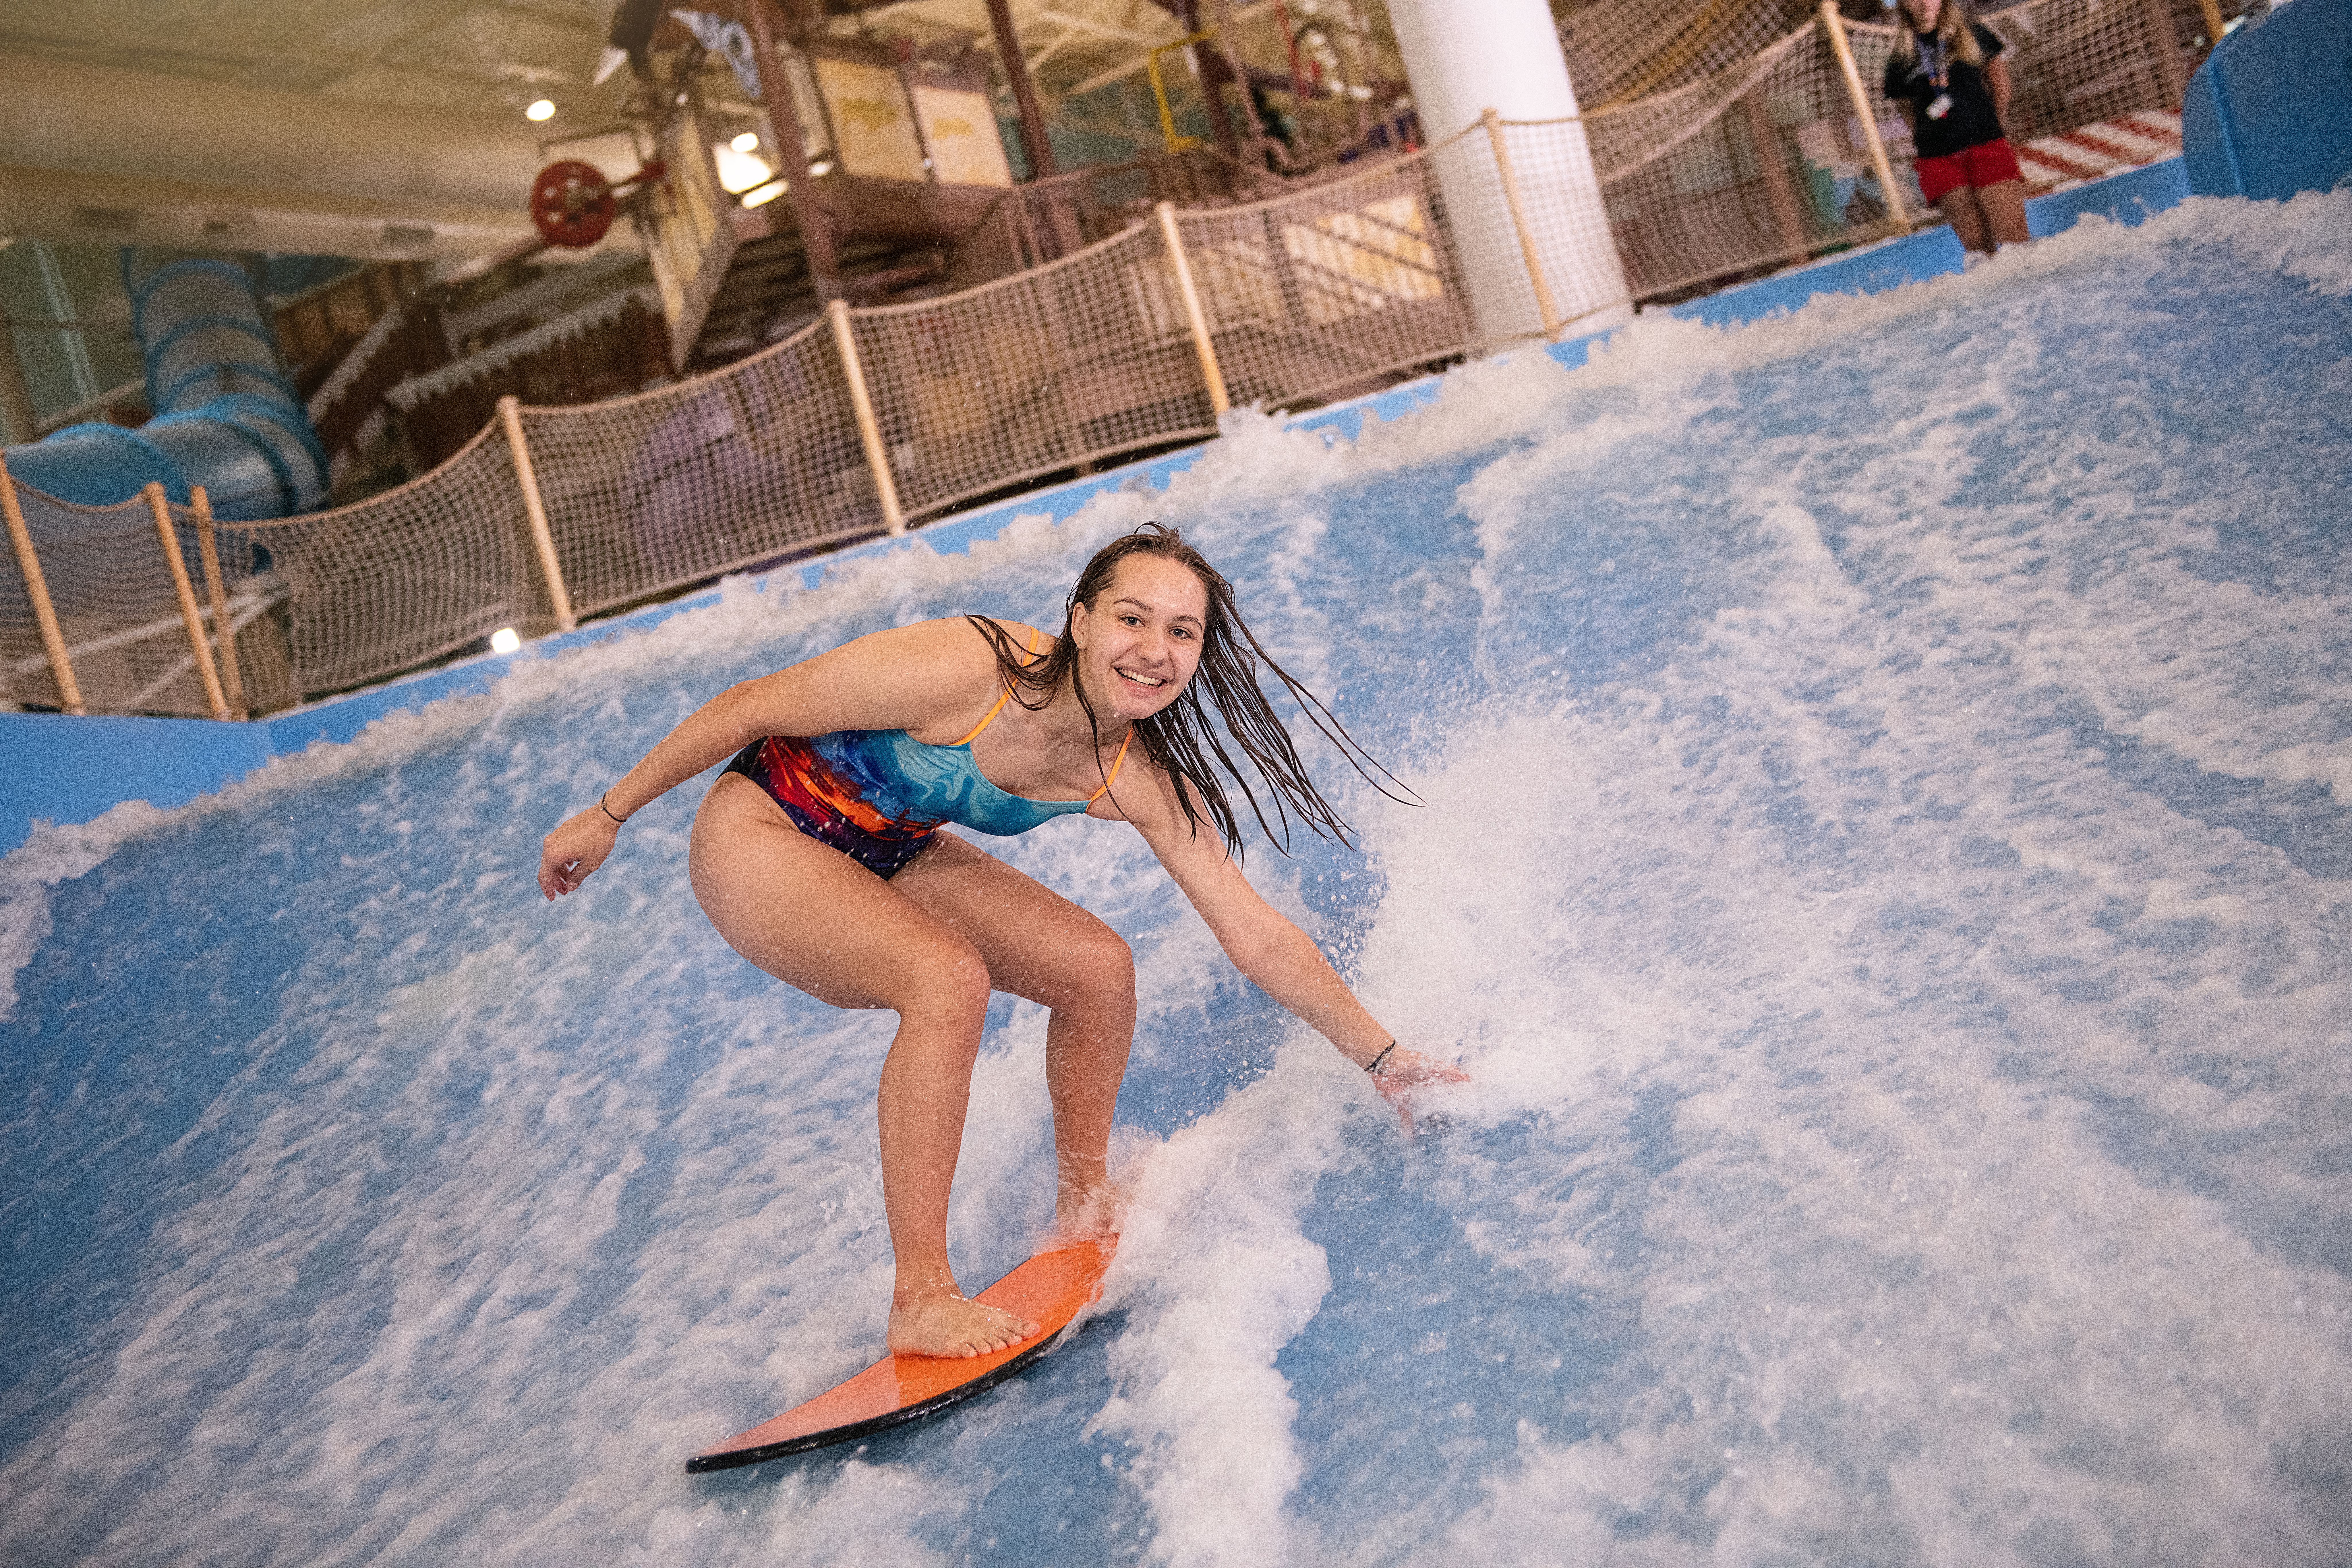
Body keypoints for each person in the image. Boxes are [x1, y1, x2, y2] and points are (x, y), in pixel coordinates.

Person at [537, 523, 1457, 1360]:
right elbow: (751, 705)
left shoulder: (1129, 771)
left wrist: (1384, 1056)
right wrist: (610, 813)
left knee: (1097, 968)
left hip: (886, 846)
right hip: (761, 833)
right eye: (1132, 617)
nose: (1153, 649)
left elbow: (1255, 933)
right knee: (947, 977)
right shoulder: (970, 666)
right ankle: (921, 1298)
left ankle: (1084, 1199)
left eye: (1181, 632)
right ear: (1082, 620)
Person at [1882, 0, 2030, 256]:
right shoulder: (1899, 60)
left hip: (1985, 146)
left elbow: (2001, 86)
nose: (1923, 3)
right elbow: (1908, 111)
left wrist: (1990, 125)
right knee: (1976, 247)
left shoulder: (1974, 34)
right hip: (1939, 159)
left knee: (2014, 240)